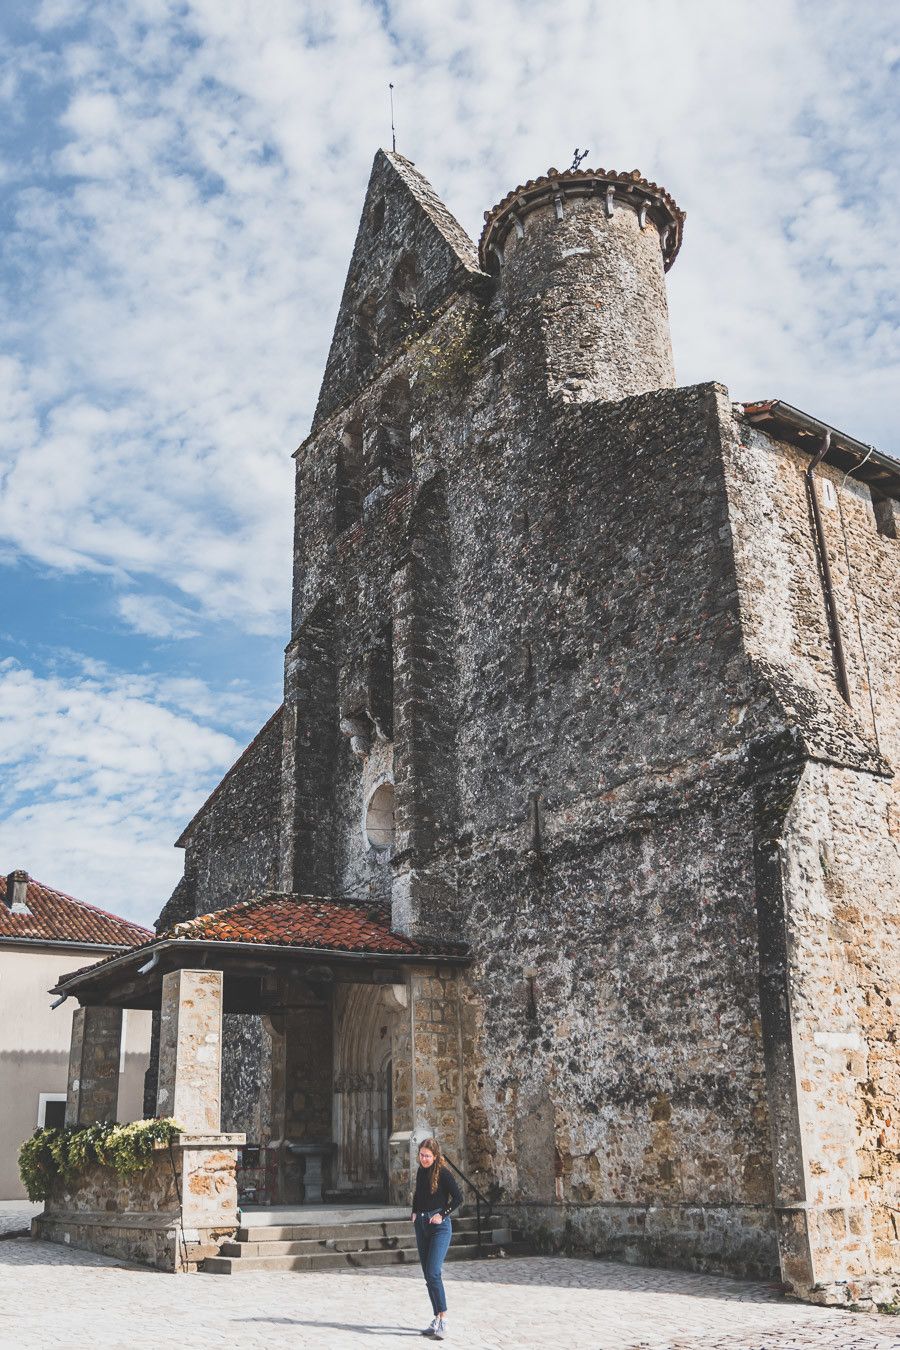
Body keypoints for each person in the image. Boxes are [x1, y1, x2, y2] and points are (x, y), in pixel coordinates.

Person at [410, 1136, 462, 1339]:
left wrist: (443, 1214)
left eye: (427, 1156)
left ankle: (444, 1318)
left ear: (435, 1156)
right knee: (427, 1275)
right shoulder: (421, 1172)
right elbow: (418, 1194)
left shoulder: (444, 1174)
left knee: (433, 1272)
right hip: (421, 1225)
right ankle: (436, 1318)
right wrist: (414, 1211)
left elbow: (458, 1197)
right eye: (421, 1155)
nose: (423, 1159)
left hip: (440, 1227)